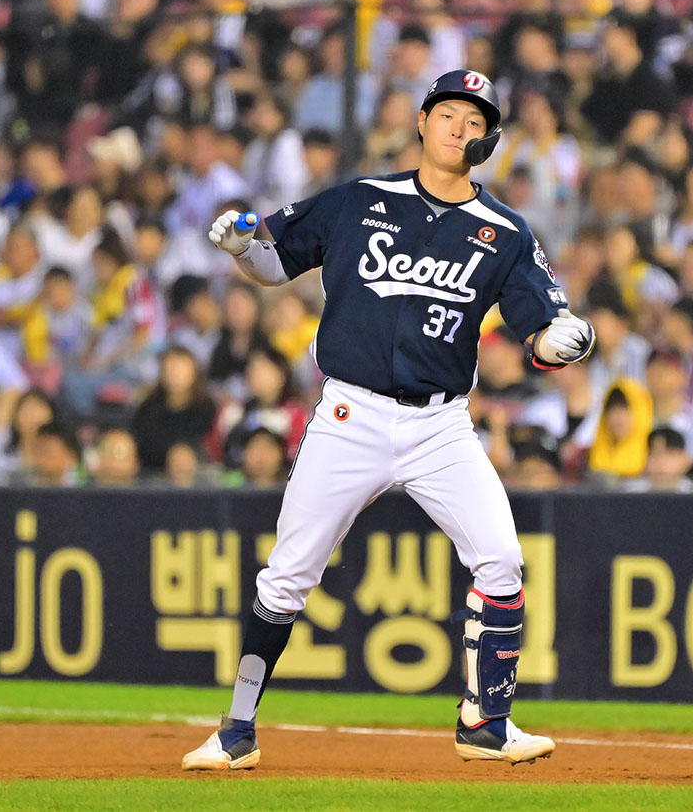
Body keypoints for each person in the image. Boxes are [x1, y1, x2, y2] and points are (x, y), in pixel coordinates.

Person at [182, 70, 595, 771]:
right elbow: (275, 260)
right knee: (286, 578)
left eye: (475, 120)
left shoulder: (503, 232)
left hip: (442, 425)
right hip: (351, 414)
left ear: (489, 139)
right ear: (423, 121)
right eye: (450, 113)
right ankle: (236, 730)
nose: (460, 127)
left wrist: (557, 339)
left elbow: (541, 326)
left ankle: (485, 721)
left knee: (501, 559)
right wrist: (241, 249)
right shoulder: (362, 199)